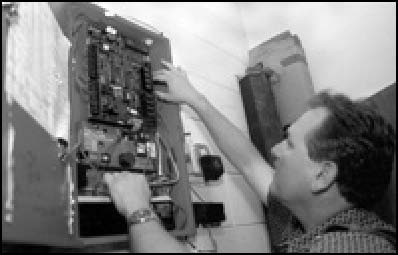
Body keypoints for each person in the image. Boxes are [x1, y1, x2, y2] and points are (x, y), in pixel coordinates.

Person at [104, 60, 396, 253]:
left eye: (290, 144)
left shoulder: (350, 248)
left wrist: (137, 207)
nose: (275, 149)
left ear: (322, 176)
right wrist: (195, 99)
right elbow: (250, 163)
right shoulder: (315, 212)